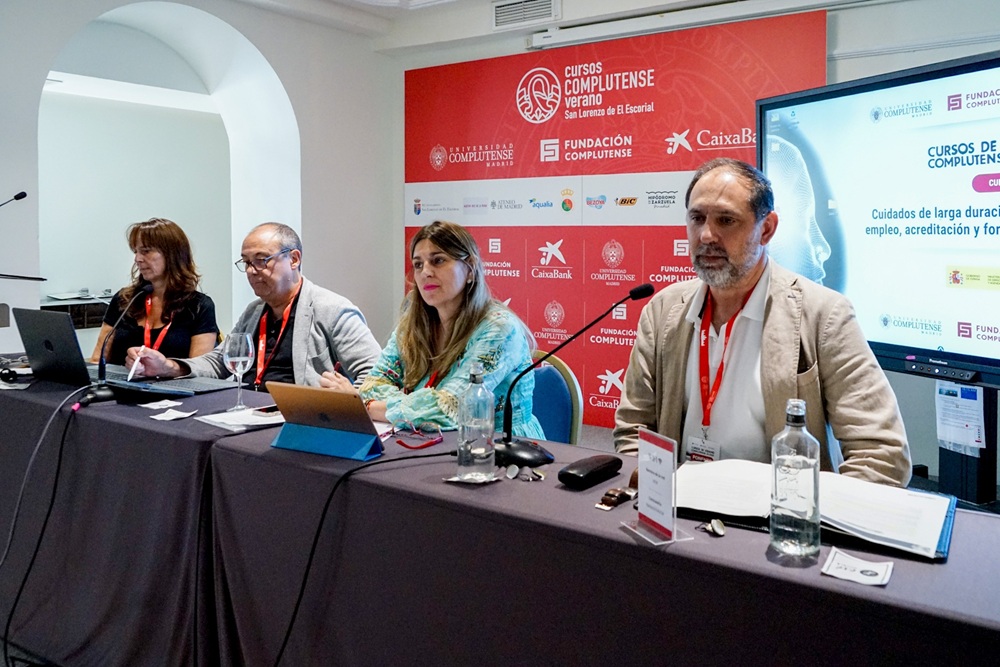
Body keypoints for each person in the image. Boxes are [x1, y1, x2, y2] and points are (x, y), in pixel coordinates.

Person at [613, 158, 912, 487]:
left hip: (776, 522)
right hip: (679, 513)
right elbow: (633, 430)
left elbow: (883, 454)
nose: (706, 235)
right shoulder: (663, 311)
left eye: (726, 220)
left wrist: (808, 520)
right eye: (697, 218)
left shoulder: (824, 315)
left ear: (766, 229)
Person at [126, 222, 382, 388]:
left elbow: (377, 378)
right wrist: (170, 366)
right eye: (247, 262)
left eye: (261, 260)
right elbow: (220, 362)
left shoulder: (332, 310)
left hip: (299, 420)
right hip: (246, 413)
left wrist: (344, 399)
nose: (251, 271)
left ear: (293, 259)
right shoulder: (254, 311)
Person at [358, 220, 544, 438]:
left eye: (438, 261)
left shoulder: (499, 329)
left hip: (502, 448)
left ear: (471, 269)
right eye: (418, 264)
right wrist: (415, 406)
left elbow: (450, 410)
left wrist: (372, 408)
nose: (426, 272)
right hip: (432, 440)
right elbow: (372, 384)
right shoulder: (413, 322)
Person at [90, 218, 218, 365]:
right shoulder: (125, 299)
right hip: (119, 385)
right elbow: (97, 361)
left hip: (172, 386)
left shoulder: (199, 306)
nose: (137, 259)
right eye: (136, 252)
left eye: (145, 251)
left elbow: (201, 371)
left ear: (172, 255)